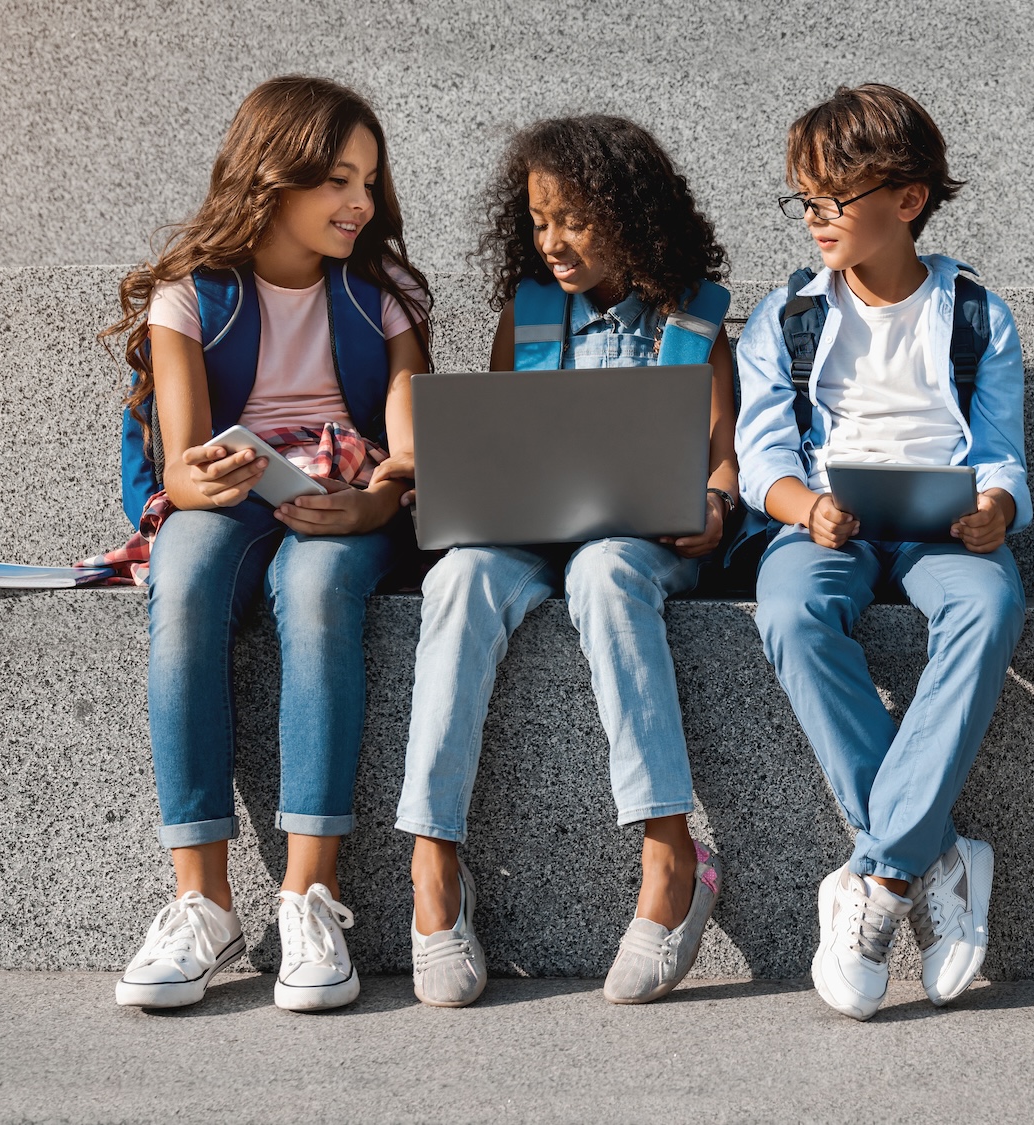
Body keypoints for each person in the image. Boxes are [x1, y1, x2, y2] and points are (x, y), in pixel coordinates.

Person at [102, 75, 430, 1012]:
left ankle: (308, 895)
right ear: (269, 179)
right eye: (335, 179)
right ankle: (200, 901)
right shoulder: (189, 297)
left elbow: (408, 439)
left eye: (369, 180)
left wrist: (378, 502)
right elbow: (181, 456)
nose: (360, 202)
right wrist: (190, 484)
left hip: (349, 496)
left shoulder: (383, 293)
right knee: (189, 567)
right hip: (236, 494)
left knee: (321, 589)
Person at [394, 115, 736, 1008]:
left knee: (601, 573)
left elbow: (724, 455)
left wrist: (716, 503)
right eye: (541, 219)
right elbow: (506, 443)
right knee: (458, 576)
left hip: (638, 546)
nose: (553, 240)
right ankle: (435, 862)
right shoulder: (528, 315)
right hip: (526, 537)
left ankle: (670, 852)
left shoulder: (696, 317)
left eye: (575, 219)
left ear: (632, 215)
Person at [735, 84, 1031, 1020]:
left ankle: (877, 877)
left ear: (907, 201)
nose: (816, 220)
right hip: (831, 517)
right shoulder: (788, 315)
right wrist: (805, 507)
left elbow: (1002, 452)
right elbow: (761, 456)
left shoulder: (977, 311)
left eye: (835, 199)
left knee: (987, 605)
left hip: (944, 522)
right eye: (805, 200)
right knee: (787, 606)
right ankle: (933, 855)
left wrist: (996, 508)